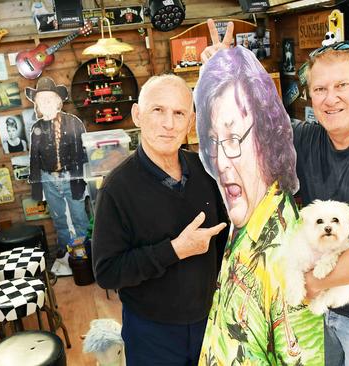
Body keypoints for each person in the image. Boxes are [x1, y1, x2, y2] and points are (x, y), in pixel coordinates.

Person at [202, 19, 349, 366]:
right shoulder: (306, 139)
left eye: (342, 85)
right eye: (319, 89)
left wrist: (307, 283)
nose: (330, 98)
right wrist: (225, 69)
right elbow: (261, 118)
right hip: (313, 310)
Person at [195, 45, 324, 364]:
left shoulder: (289, 258)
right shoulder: (247, 223)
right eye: (213, 141)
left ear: (268, 140)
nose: (222, 160)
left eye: (234, 139)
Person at [92, 74, 229, 365]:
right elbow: (106, 272)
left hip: (211, 319)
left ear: (190, 122)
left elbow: (226, 237)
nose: (169, 124)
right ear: (137, 115)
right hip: (152, 332)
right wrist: (175, 250)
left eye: (179, 113)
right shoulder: (117, 188)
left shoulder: (206, 170)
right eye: (158, 110)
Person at [26, 77, 89, 269]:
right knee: (58, 217)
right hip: (47, 177)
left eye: (49, 98)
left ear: (58, 101)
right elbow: (34, 159)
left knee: (79, 216)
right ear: (36, 104)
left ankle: (85, 253)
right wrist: (37, 187)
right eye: (41, 99)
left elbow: (82, 153)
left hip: (72, 176)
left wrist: (81, 180)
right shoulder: (36, 127)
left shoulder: (73, 123)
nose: (45, 103)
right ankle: (64, 251)